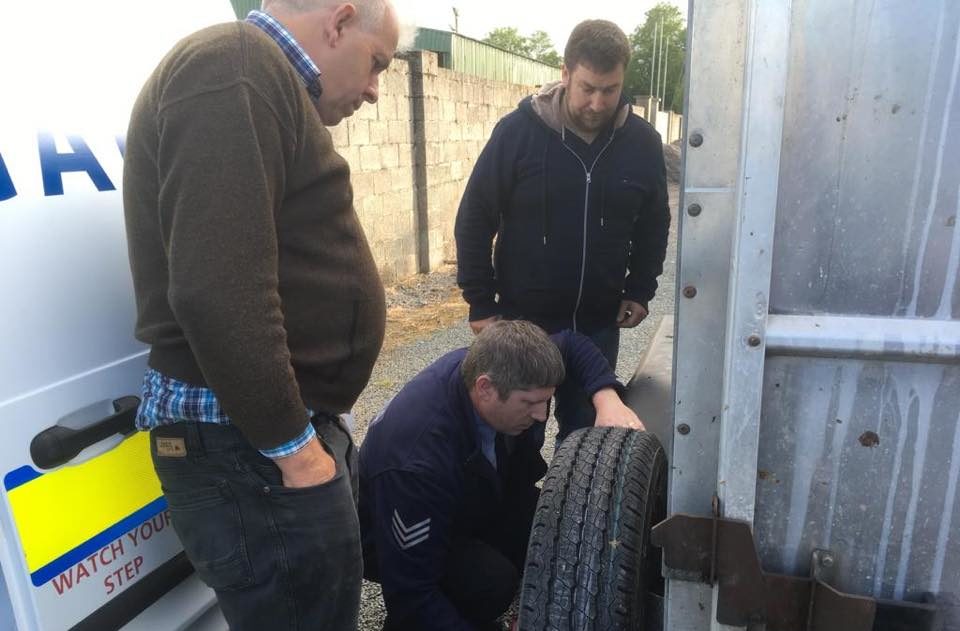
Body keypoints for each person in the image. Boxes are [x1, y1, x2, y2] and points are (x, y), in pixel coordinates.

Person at [122, 1, 400, 628]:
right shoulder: (236, 67)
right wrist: (296, 452)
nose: (375, 90)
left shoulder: (256, 77)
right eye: (376, 64)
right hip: (250, 447)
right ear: (339, 21)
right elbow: (217, 289)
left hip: (258, 446)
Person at [454, 19, 671, 443]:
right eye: (587, 88)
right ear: (566, 73)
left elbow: (654, 222)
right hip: (523, 324)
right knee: (514, 440)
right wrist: (479, 301)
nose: (597, 102)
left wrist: (641, 287)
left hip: (598, 324)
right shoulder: (517, 133)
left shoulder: (642, 143)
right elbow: (476, 216)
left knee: (586, 441)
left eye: (609, 90)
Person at [358, 320, 643, 630]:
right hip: (400, 533)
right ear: (485, 389)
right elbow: (410, 596)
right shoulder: (418, 462)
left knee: (561, 523)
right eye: (530, 403)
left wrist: (607, 399)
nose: (542, 415)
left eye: (546, 400)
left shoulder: (505, 363)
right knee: (491, 583)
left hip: (470, 496)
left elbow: (572, 344)